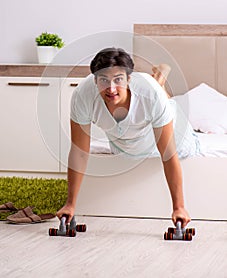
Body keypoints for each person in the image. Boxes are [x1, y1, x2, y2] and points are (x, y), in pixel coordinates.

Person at [57, 47, 192, 227]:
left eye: (118, 80)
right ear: (94, 80)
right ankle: (158, 80)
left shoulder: (150, 96)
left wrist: (179, 207)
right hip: (122, 141)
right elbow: (79, 151)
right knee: (148, 106)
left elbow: (168, 154)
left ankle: (159, 83)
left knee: (161, 101)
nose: (111, 89)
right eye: (103, 80)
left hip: (170, 125)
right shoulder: (83, 95)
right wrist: (70, 204)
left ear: (129, 79)